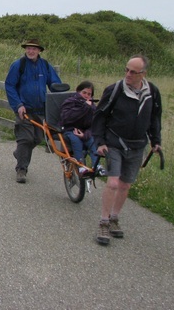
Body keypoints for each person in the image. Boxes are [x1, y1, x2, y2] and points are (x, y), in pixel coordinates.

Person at [92, 54, 162, 245]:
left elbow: (155, 118)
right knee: (113, 183)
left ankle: (115, 218)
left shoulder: (152, 92)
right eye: (126, 70)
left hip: (137, 145)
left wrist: (156, 140)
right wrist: (100, 141)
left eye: (133, 72)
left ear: (143, 74)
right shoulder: (115, 90)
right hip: (114, 142)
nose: (128, 74)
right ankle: (104, 222)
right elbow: (100, 116)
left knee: (125, 185)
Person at [4, 39, 62, 184]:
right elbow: (10, 85)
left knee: (37, 138)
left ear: (39, 51)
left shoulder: (45, 66)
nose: (31, 51)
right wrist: (18, 105)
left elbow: (55, 83)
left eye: (34, 49)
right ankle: (21, 170)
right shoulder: (19, 65)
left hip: (41, 110)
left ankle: (19, 153)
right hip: (24, 109)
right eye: (28, 48)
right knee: (26, 139)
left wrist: (60, 90)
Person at [60, 81, 105, 175]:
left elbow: (94, 124)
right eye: (84, 93)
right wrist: (85, 107)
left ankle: (96, 165)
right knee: (76, 140)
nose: (86, 96)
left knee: (92, 140)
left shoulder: (92, 107)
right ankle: (80, 167)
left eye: (89, 94)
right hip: (70, 129)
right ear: (78, 91)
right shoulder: (70, 101)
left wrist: (85, 135)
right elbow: (67, 118)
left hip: (85, 131)